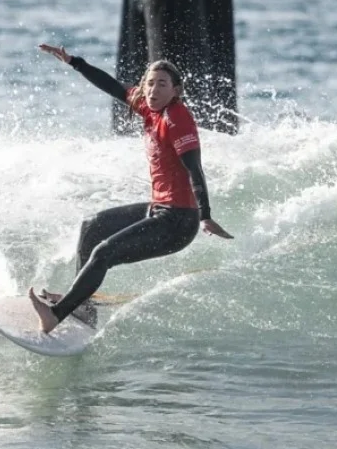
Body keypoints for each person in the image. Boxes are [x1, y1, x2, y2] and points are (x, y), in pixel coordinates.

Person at [29, 43, 233, 333]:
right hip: (159, 209)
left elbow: (194, 169)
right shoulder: (148, 106)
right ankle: (82, 305)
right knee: (92, 226)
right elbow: (112, 86)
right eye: (149, 83)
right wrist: (74, 62)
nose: (153, 90)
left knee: (104, 252)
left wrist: (206, 215)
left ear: (176, 90)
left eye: (162, 84)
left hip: (178, 222)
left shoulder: (177, 119)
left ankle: (56, 315)